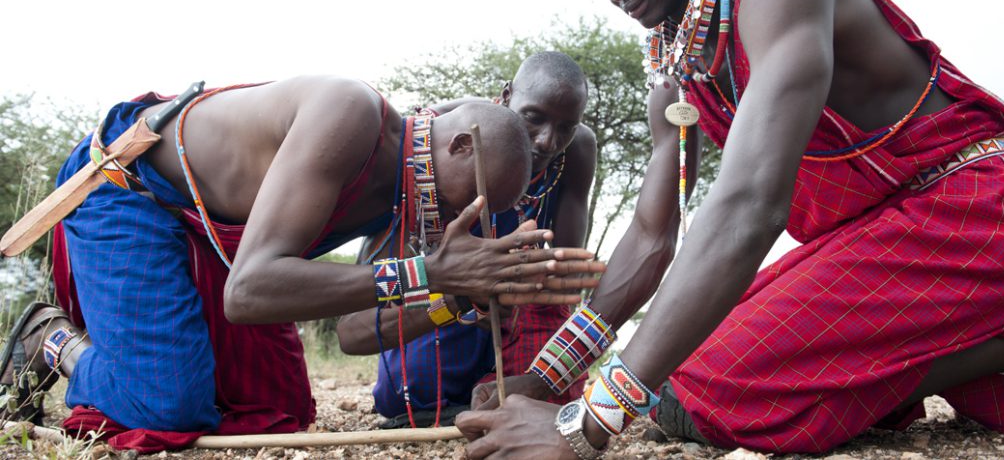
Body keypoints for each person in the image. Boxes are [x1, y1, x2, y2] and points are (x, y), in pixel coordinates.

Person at [455, 0, 1004, 456]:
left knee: (713, 390)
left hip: (972, 212)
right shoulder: (676, 78)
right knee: (682, 375)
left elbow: (751, 204)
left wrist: (585, 426)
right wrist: (548, 377)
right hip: (876, 239)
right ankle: (970, 350)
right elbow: (652, 238)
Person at [0, 76, 604, 451]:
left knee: (276, 413)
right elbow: (250, 293)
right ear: (460, 146)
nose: (453, 220)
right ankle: (50, 340)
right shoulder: (350, 115)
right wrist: (431, 275)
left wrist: (456, 297)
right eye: (458, 202)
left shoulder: (407, 186)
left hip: (219, 238)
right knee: (168, 407)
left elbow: (353, 331)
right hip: (131, 193)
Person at [335, 52, 598, 427]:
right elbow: (353, 332)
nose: (546, 142)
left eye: (565, 127)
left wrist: (516, 288)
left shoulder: (575, 151)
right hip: (441, 306)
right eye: (533, 118)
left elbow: (564, 282)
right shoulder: (428, 145)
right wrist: (459, 298)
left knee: (546, 382)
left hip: (514, 308)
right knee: (415, 391)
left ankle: (509, 394)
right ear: (506, 96)